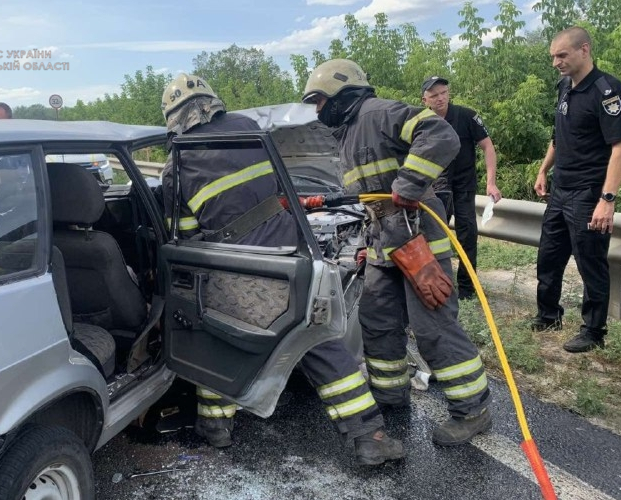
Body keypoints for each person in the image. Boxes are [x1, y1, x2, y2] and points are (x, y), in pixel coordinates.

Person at [160, 73, 404, 466]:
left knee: (216, 339)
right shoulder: (247, 128)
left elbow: (187, 239)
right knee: (317, 341)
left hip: (232, 269)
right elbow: (279, 187)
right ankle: (368, 436)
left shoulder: (176, 163)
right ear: (212, 101)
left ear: (174, 118)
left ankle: (216, 427)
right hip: (288, 259)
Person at [302, 59, 492, 446]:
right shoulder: (347, 133)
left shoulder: (380, 112)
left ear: (341, 92)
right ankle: (390, 395)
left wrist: (409, 181)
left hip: (417, 239)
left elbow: (441, 135)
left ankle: (473, 409)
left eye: (319, 101)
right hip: (382, 240)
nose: (318, 110)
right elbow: (367, 197)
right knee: (377, 319)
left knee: (432, 326)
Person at [532, 27, 621, 352]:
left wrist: (607, 200)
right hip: (560, 190)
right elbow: (558, 135)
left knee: (591, 264)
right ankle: (548, 315)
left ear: (584, 50)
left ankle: (594, 331)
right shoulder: (564, 87)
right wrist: (543, 169)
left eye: (561, 55)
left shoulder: (606, 91)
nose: (555, 62)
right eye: (553, 56)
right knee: (548, 258)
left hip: (590, 193)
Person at [421, 76, 501, 300]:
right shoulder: (421, 121)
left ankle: (467, 289)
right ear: (425, 99)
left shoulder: (466, 115)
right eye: (434, 95)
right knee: (433, 237)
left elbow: (488, 147)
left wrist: (491, 182)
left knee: (467, 236)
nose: (440, 98)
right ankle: (435, 285)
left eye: (444, 93)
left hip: (464, 186)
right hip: (435, 188)